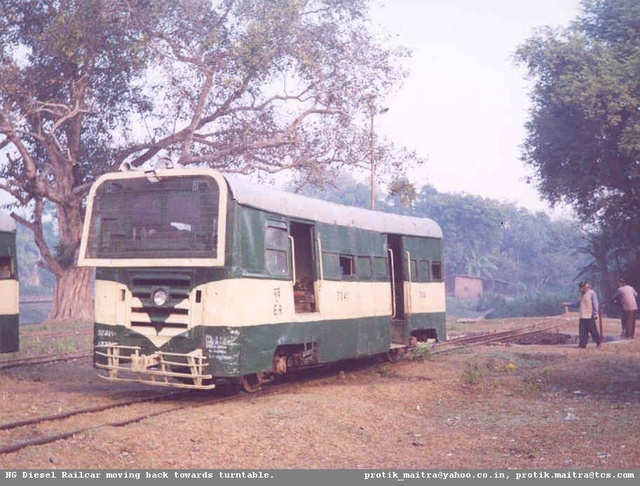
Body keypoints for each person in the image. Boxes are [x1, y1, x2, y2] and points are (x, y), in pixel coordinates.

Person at [564, 281, 602, 349]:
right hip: (582, 316)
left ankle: (598, 342)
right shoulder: (581, 295)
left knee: (593, 330)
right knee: (582, 331)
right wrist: (568, 304)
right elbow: (577, 304)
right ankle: (582, 345)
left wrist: (596, 313)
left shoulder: (592, 294)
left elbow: (596, 304)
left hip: (589, 315)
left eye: (582, 288)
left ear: (586, 288)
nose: (581, 290)